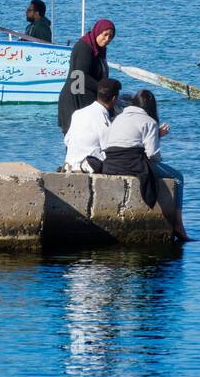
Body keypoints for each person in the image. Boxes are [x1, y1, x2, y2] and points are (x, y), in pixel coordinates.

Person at [95, 89, 189, 241]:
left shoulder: (118, 118)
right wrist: (158, 138)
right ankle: (178, 223)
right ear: (150, 107)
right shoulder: (149, 121)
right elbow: (153, 155)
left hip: (111, 164)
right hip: (133, 164)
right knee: (178, 177)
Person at [57, 18, 115, 134]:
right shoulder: (84, 48)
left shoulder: (99, 50)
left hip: (87, 101)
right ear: (98, 32)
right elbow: (79, 76)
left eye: (110, 37)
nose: (107, 39)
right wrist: (103, 90)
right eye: (105, 35)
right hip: (74, 102)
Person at [63, 77, 120, 171]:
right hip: (86, 168)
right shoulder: (103, 120)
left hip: (70, 164)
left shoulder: (77, 113)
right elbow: (109, 148)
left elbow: (67, 140)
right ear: (114, 99)